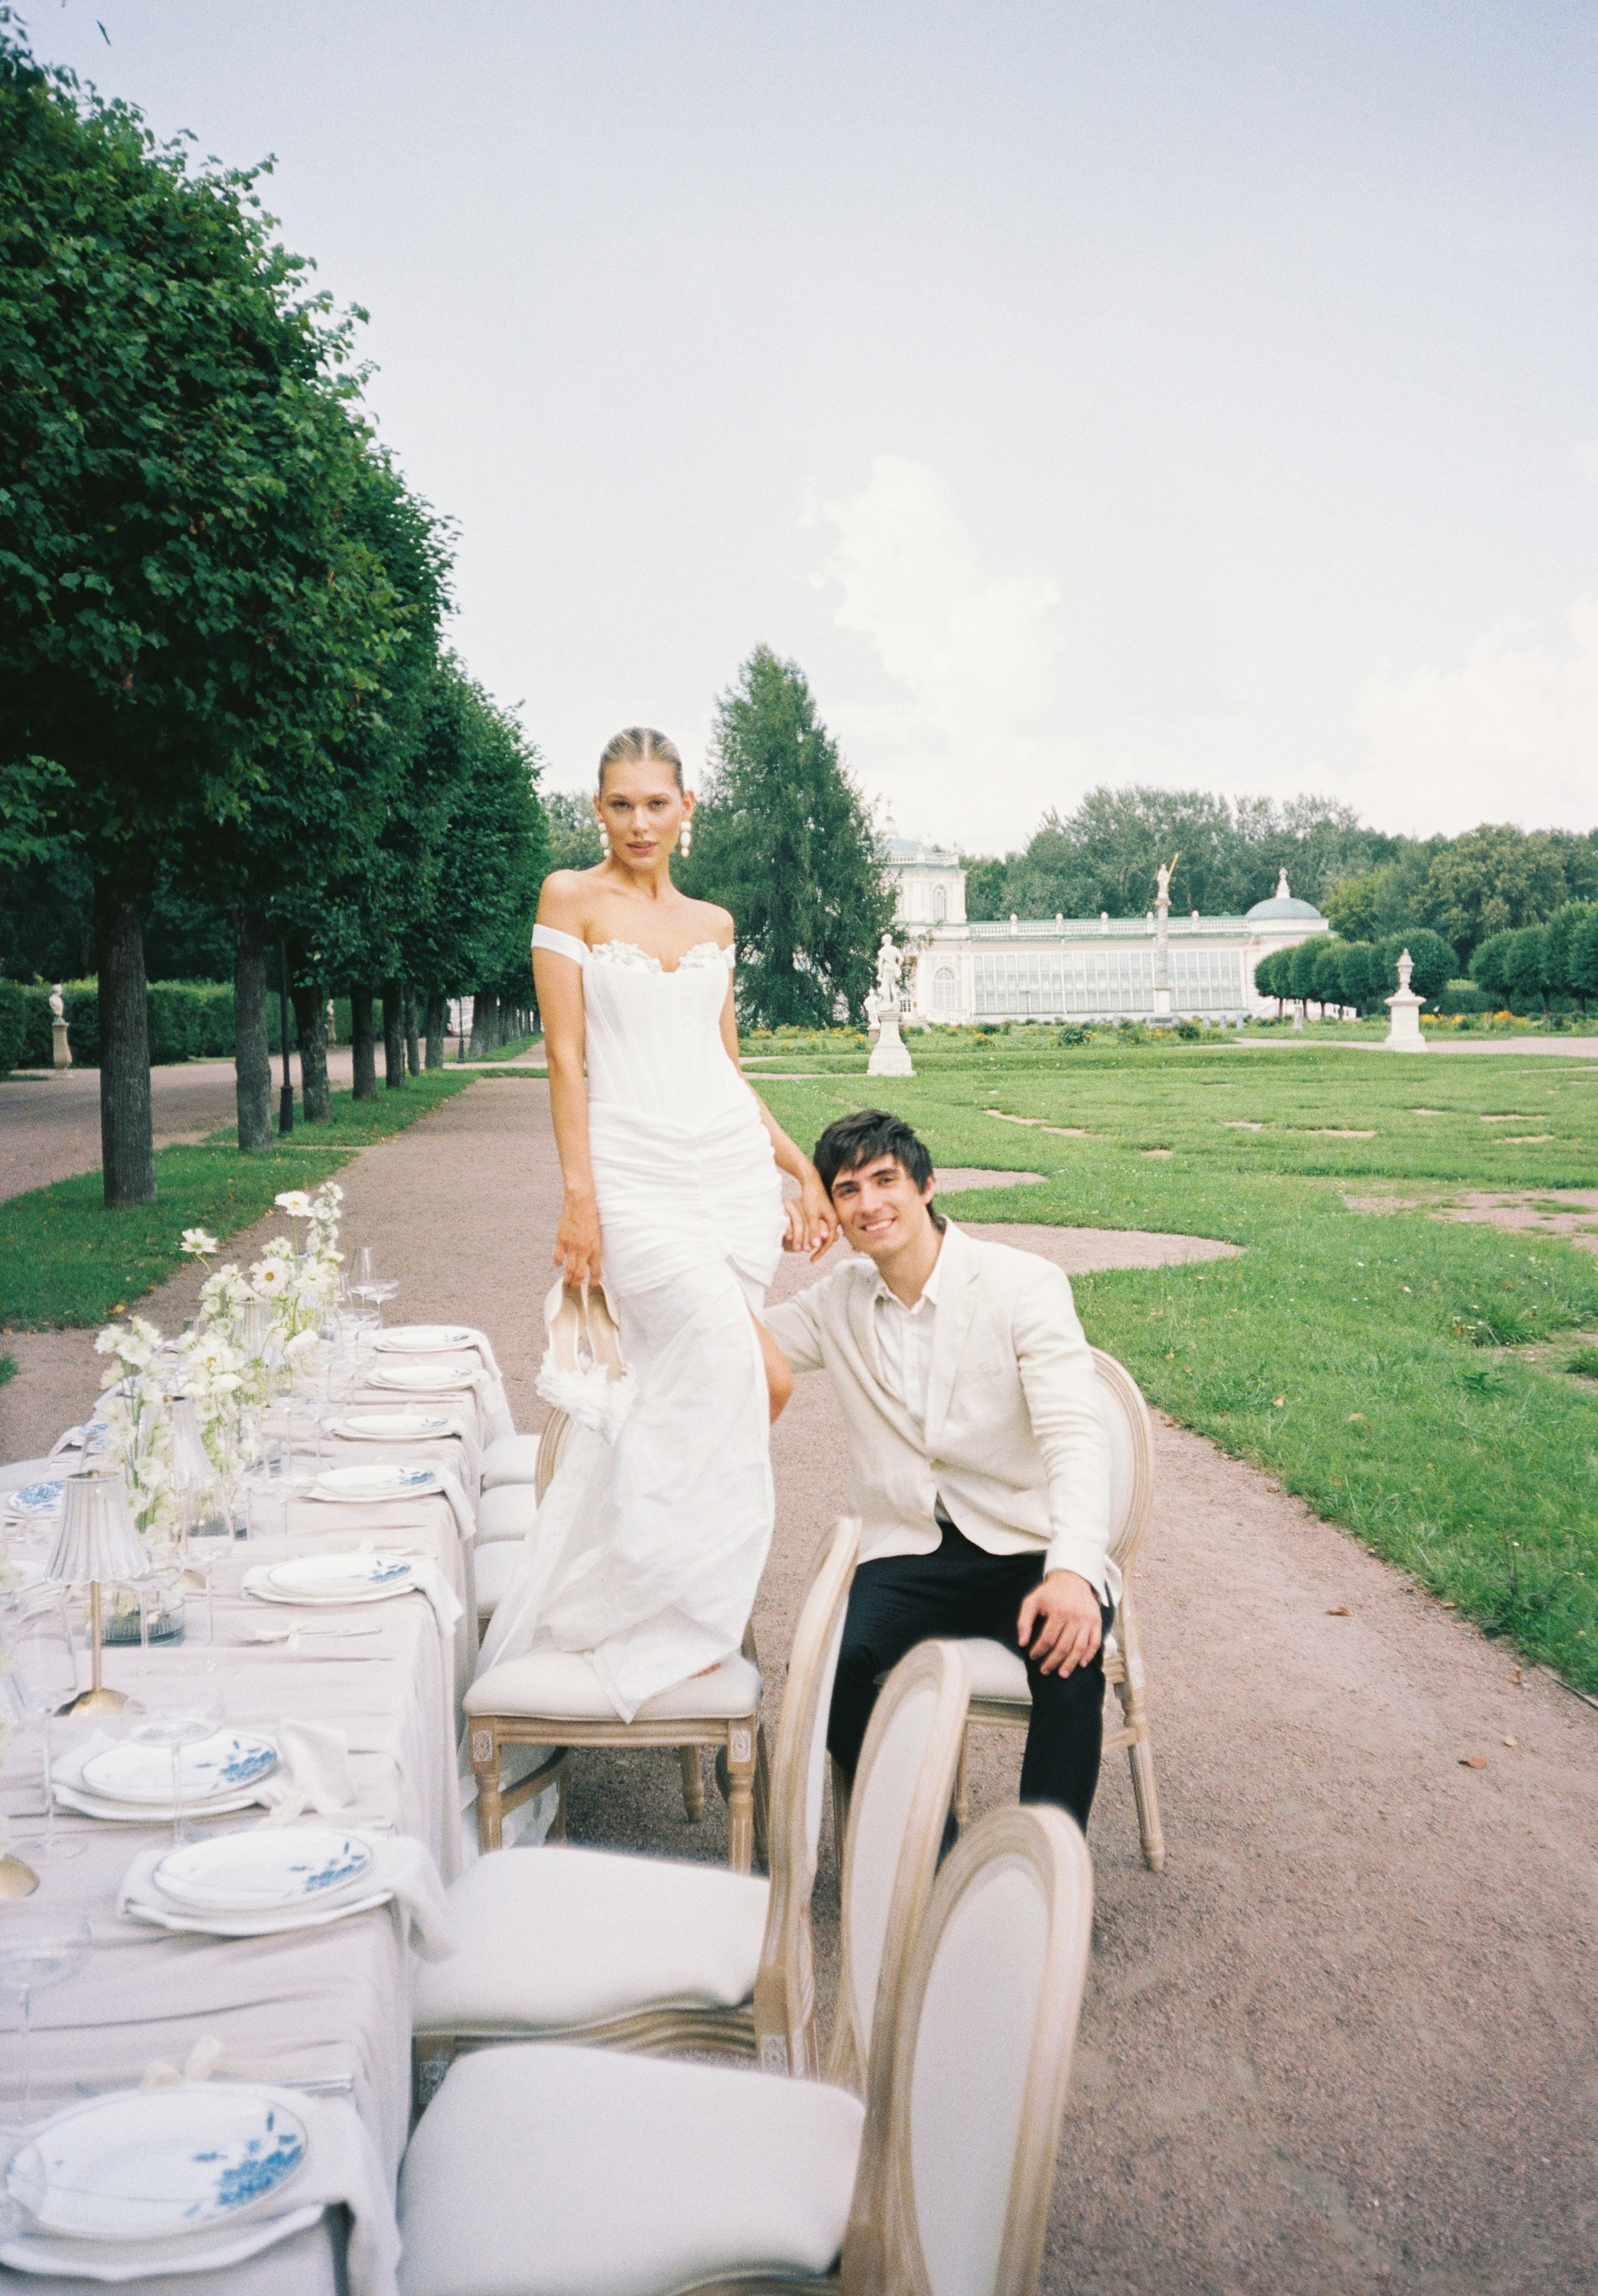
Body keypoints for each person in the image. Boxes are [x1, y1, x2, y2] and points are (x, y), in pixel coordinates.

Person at [476, 726, 836, 1718]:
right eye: (621, 803)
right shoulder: (569, 897)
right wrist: (578, 1192)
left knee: (716, 1385)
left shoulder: (716, 923)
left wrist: (799, 1165)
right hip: (633, 1175)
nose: (639, 821)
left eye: (656, 803)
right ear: (597, 808)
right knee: (753, 1373)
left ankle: (650, 1585)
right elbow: (563, 1057)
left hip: (725, 1174)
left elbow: (724, 1067)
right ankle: (639, 1600)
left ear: (687, 810)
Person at [762, 1108, 1115, 1832]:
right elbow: (736, 1337)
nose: (869, 1204)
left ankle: (1039, 1876)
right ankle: (933, 1859)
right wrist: (748, 1238)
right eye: (847, 1190)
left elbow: (1074, 1436)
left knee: (1070, 1664)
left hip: (1026, 1544)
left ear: (927, 1186)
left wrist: (1075, 1570)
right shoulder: (839, 1302)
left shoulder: (1023, 1283)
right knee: (827, 1673)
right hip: (909, 1548)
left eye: (885, 1180)